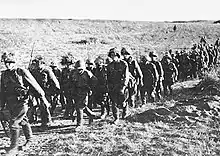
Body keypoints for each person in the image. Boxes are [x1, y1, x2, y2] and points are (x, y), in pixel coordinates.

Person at [0, 52, 49, 155]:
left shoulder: (21, 71)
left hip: (22, 102)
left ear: (14, 62)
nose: (7, 65)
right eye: (6, 63)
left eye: (9, 62)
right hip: (10, 103)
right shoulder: (3, 74)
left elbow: (35, 85)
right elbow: (2, 91)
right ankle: (29, 139)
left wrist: (43, 97)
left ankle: (14, 147)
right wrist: (1, 105)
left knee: (14, 123)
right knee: (23, 121)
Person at [30, 55, 60, 129]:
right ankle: (39, 120)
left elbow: (55, 82)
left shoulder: (47, 71)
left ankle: (46, 123)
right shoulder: (34, 72)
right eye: (36, 64)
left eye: (39, 63)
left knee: (44, 107)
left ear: (43, 64)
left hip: (47, 92)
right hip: (37, 92)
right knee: (39, 107)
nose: (37, 65)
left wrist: (55, 92)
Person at [69, 59, 100, 129]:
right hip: (76, 91)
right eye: (78, 69)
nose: (79, 71)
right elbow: (70, 81)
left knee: (79, 107)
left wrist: (90, 89)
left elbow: (95, 81)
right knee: (81, 106)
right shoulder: (73, 73)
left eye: (81, 69)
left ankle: (79, 124)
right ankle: (91, 114)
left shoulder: (87, 73)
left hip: (84, 91)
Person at [107, 48, 130, 124]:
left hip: (122, 86)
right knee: (114, 102)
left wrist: (123, 87)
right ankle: (116, 118)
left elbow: (126, 76)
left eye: (114, 55)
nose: (113, 57)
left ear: (118, 55)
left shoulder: (124, 64)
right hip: (113, 86)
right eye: (111, 55)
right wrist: (109, 86)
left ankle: (125, 110)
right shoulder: (109, 66)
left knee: (122, 101)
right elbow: (108, 77)